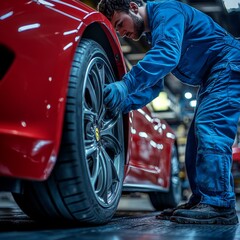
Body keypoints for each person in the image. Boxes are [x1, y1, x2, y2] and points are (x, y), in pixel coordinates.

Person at [97, 0, 240, 225]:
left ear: (133, 7)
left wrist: (125, 84)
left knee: (209, 127)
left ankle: (219, 204)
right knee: (194, 141)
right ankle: (203, 199)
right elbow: (154, 86)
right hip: (213, 75)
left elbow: (167, 55)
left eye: (119, 23)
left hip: (228, 64)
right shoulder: (155, 33)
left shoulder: (166, 11)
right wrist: (123, 102)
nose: (122, 33)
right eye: (117, 30)